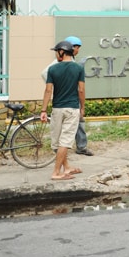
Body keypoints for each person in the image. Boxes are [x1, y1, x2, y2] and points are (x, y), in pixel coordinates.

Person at [40, 35, 93, 156]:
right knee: (64, 139)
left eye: (78, 47)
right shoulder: (61, 64)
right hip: (69, 102)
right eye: (76, 47)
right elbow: (81, 89)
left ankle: (80, 147)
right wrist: (56, 87)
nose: (77, 50)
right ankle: (63, 163)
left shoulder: (71, 64)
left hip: (63, 104)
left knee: (69, 131)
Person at [40, 41, 85, 180]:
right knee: (65, 142)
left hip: (57, 109)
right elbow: (81, 90)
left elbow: (48, 90)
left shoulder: (53, 69)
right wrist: (82, 107)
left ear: (62, 52)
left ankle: (66, 168)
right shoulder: (78, 68)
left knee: (58, 142)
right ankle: (56, 173)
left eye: (56, 51)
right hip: (72, 108)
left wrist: (43, 110)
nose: (56, 54)